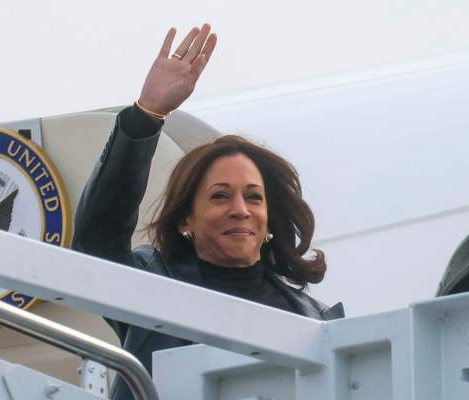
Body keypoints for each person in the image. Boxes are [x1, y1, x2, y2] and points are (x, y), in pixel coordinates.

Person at [72, 23, 344, 400]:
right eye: (220, 196)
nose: (240, 210)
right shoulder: (152, 289)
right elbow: (97, 239)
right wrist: (146, 114)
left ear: (269, 219)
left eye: (253, 197)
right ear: (187, 219)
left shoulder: (317, 322)